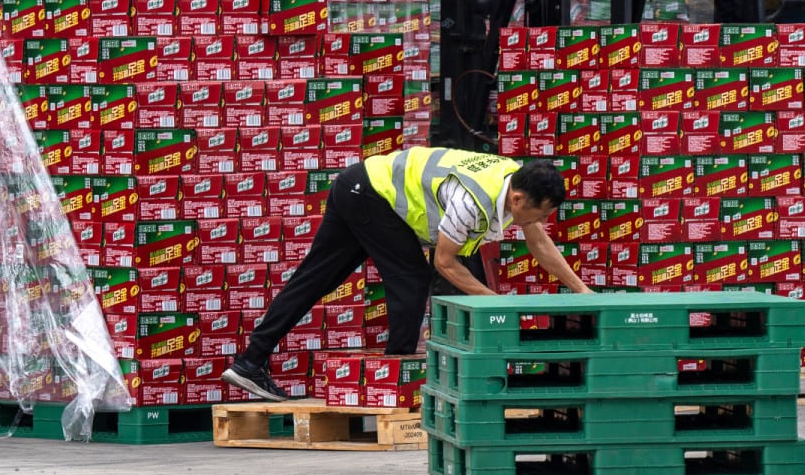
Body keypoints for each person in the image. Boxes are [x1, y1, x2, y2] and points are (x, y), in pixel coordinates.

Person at [222, 148, 588, 401]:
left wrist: (583, 292)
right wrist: (495, 303)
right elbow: (443, 263)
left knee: (314, 279)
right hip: (370, 193)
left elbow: (541, 245)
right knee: (412, 280)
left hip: (361, 186)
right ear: (519, 200)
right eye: (541, 214)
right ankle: (395, 383)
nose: (541, 223)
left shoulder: (515, 181)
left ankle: (250, 361)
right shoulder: (470, 199)